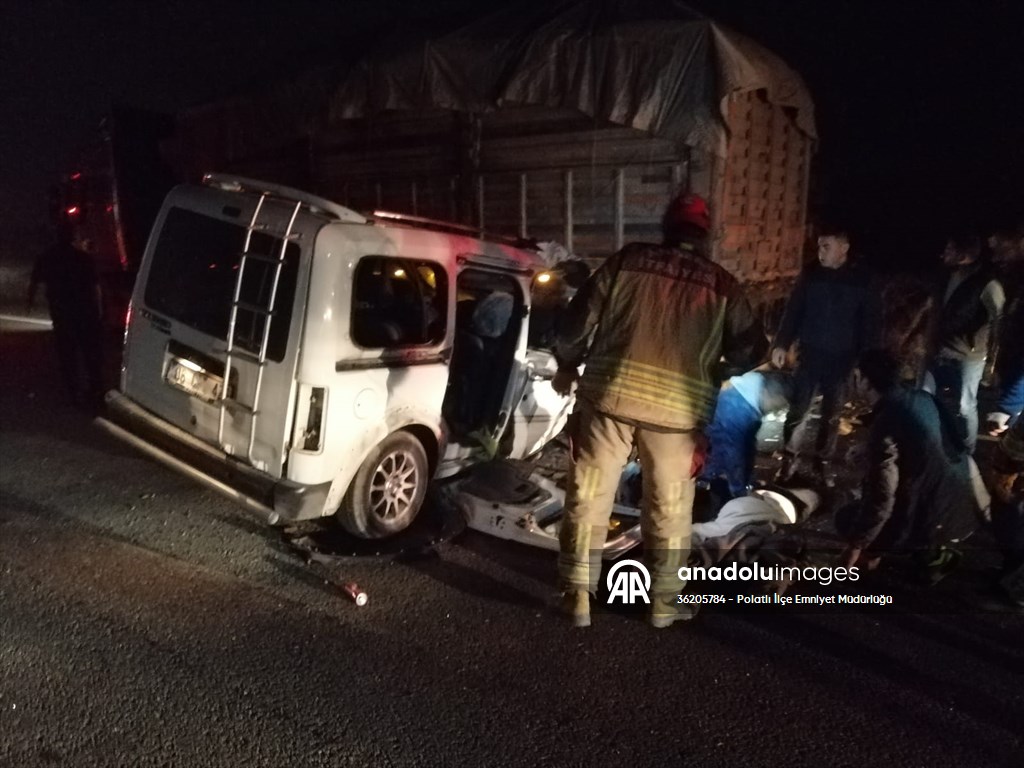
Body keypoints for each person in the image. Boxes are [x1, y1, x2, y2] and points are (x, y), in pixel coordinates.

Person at [550, 192, 766, 628]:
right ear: (704, 235)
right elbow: (752, 347)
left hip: (608, 401)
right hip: (677, 418)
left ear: (666, 228)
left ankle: (578, 597)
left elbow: (577, 322)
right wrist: (717, 367)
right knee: (669, 508)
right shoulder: (722, 285)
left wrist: (567, 364)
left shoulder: (628, 261)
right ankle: (664, 604)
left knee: (589, 497)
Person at [836, 350, 981, 583]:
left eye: (856, 376)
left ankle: (929, 553)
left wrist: (856, 546)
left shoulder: (886, 423)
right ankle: (931, 545)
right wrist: (869, 451)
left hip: (935, 517)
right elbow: (943, 446)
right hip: (963, 507)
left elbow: (882, 497)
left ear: (864, 380)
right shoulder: (922, 398)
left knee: (846, 518)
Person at [770, 224, 881, 487]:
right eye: (819, 246)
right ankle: (789, 462)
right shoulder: (811, 274)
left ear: (844, 248)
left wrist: (865, 362)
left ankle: (823, 465)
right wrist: (781, 343)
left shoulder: (861, 279)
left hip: (842, 359)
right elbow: (794, 310)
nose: (820, 252)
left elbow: (870, 323)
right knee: (799, 412)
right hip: (810, 355)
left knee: (831, 416)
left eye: (826, 246)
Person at [927, 233, 1004, 453]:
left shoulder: (987, 283)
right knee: (925, 396)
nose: (945, 254)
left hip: (969, 355)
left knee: (965, 406)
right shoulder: (945, 276)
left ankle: (966, 453)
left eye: (950, 249)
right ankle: (930, 447)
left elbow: (999, 319)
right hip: (940, 349)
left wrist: (992, 361)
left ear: (964, 254)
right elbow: (936, 313)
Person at [27, 221, 105, 409]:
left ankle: (74, 392)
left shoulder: (47, 257)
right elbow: (96, 288)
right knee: (90, 353)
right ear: (72, 237)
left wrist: (29, 302)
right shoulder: (84, 259)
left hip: (62, 314)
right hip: (86, 313)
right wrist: (100, 310)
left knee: (67, 354)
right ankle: (95, 390)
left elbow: (35, 281)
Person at [701, 368, 791, 500]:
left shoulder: (753, 400)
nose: (773, 411)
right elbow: (734, 454)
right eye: (775, 405)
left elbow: (748, 447)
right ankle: (704, 483)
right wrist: (740, 493)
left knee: (731, 451)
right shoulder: (737, 410)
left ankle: (710, 481)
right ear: (766, 392)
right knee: (724, 454)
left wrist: (748, 481)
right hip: (709, 453)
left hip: (721, 449)